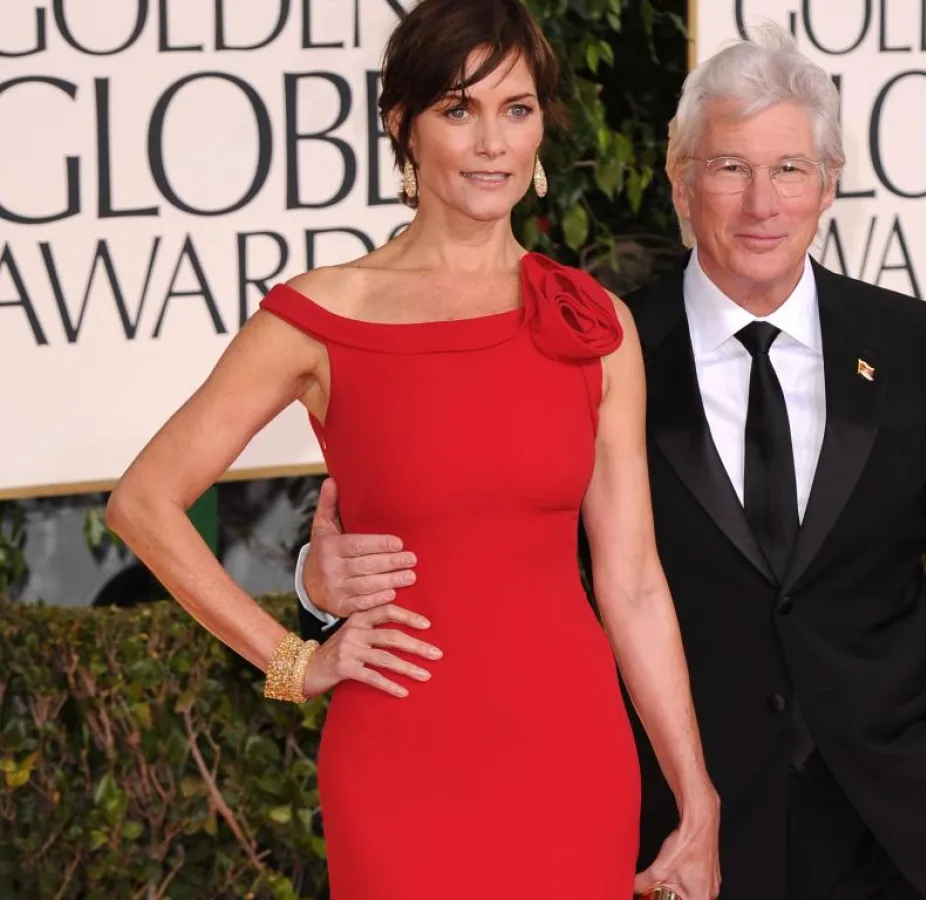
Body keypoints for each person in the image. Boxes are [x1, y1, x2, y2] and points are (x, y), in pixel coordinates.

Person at [295, 23, 926, 900]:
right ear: (680, 184)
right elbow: (476, 541)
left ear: (829, 185)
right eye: (729, 168)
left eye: (790, 169)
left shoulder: (918, 347)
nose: (762, 203)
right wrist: (317, 587)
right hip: (667, 842)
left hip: (897, 840)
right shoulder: (588, 345)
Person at [104, 1, 723, 897]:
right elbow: (144, 502)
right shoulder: (321, 316)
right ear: (403, 126)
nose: (492, 143)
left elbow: (631, 584)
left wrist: (695, 794)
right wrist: (293, 661)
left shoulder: (594, 324)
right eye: (458, 109)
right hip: (399, 754)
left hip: (571, 752)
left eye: (516, 109)